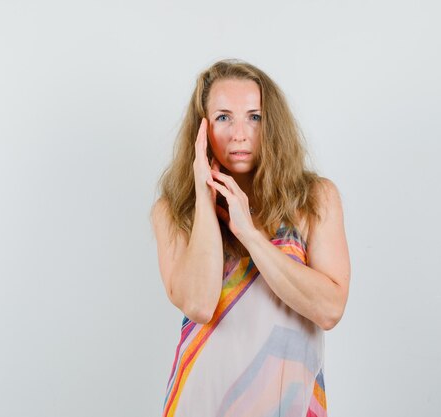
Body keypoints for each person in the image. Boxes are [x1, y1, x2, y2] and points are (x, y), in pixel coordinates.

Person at [150, 59, 351, 417]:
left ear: (271, 125)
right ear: (201, 128)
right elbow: (198, 304)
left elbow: (329, 309)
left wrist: (250, 234)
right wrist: (204, 198)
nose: (240, 133)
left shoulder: (314, 199)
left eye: (254, 117)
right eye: (224, 117)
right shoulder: (173, 212)